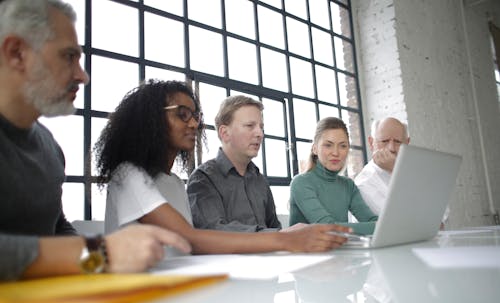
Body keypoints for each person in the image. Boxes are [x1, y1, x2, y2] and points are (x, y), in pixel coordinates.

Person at [0, 0, 190, 281]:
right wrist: (101, 253)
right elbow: (82, 252)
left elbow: (57, 228)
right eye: (68, 56)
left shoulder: (50, 149)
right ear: (17, 53)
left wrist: (97, 265)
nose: (82, 76)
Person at [95, 80, 353, 254]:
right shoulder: (128, 174)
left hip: (175, 301)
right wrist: (287, 238)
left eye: (195, 116)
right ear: (150, 118)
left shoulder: (174, 182)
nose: (194, 124)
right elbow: (192, 239)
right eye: (182, 114)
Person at [186, 95, 281, 232]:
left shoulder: (260, 180)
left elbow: (275, 227)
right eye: (250, 126)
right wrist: (278, 235)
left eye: (261, 127)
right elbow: (214, 232)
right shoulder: (203, 178)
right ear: (225, 133)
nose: (260, 133)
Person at [289, 117, 378, 225]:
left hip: (342, 242)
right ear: (315, 149)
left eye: (342, 146)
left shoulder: (348, 185)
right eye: (328, 145)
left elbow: (376, 224)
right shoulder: (301, 183)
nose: (336, 152)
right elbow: (328, 228)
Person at [354, 117, 410, 215]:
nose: (391, 148)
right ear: (371, 143)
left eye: (397, 142)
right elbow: (402, 219)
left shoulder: (417, 171)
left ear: (407, 144)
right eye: (384, 141)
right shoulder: (363, 184)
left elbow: (441, 217)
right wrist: (395, 171)